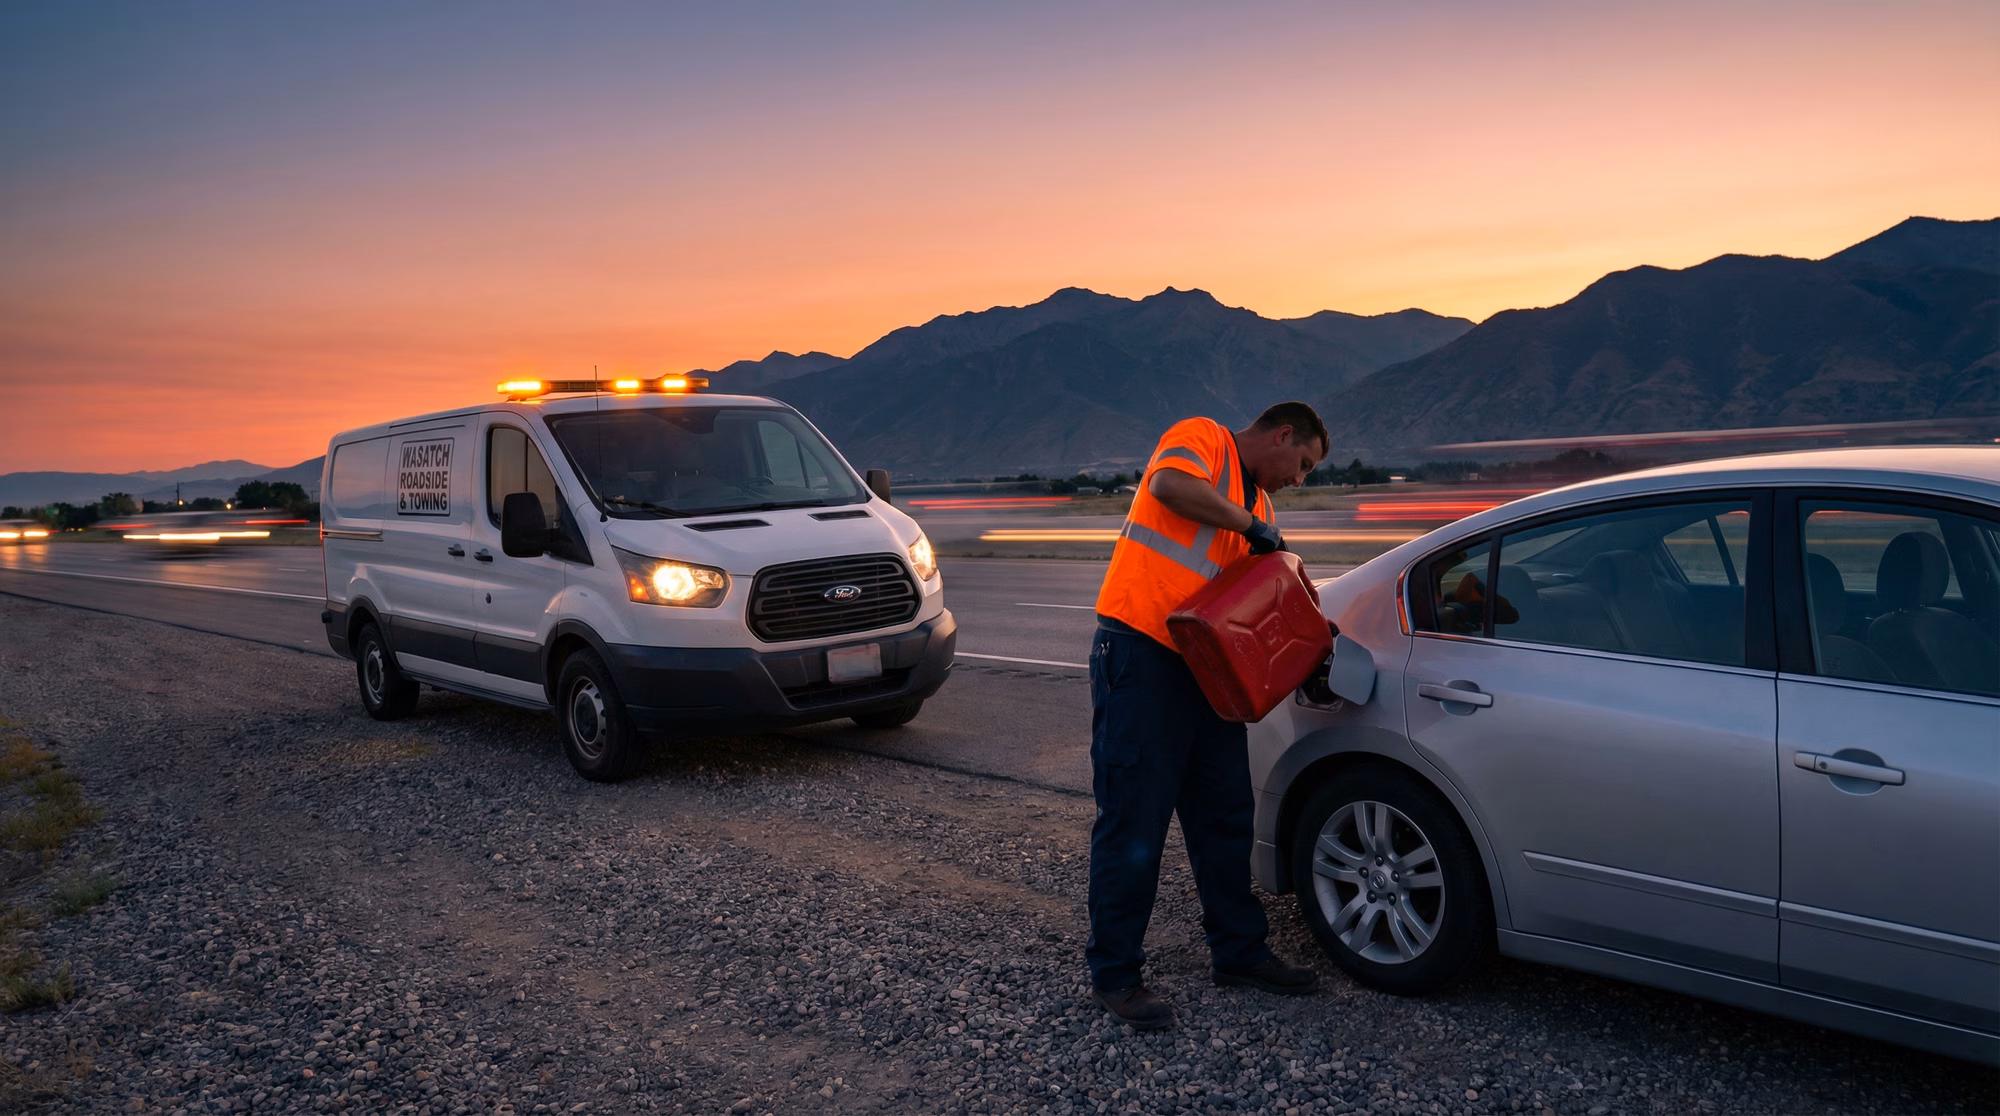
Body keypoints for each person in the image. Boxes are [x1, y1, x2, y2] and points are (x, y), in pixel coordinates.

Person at [1087, 401, 1330, 1030]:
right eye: (1301, 464)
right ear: (1282, 435)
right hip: (1142, 656)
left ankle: (1240, 954)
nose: (1298, 480)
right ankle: (1116, 975)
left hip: (1208, 674)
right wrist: (1251, 527)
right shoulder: (1204, 441)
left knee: (1225, 819)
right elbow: (1169, 486)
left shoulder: (1264, 513)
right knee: (1134, 822)